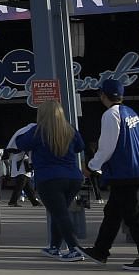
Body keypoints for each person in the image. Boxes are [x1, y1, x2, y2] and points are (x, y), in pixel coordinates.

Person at [80, 80, 139, 269]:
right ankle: (100, 251)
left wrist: (91, 167)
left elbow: (107, 146)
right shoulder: (132, 114)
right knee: (113, 213)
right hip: (135, 170)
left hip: (122, 173)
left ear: (103, 95)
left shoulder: (110, 115)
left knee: (133, 216)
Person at [8, 101, 86, 260]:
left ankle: (75, 248)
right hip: (73, 177)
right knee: (59, 212)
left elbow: (20, 143)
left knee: (60, 214)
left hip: (49, 178)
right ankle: (54, 247)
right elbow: (80, 146)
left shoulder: (37, 131)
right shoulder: (70, 130)